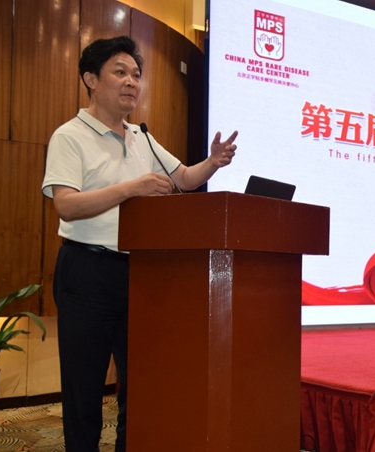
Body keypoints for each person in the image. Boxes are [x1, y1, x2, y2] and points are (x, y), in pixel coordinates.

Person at [41, 36, 237, 452]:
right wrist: (132, 188)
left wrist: (212, 162)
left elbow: (184, 178)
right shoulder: (70, 136)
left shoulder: (140, 137)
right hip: (86, 272)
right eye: (120, 72)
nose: (132, 82)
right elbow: (66, 206)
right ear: (91, 79)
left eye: (136, 74)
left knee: (141, 385)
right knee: (83, 387)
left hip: (140, 274)